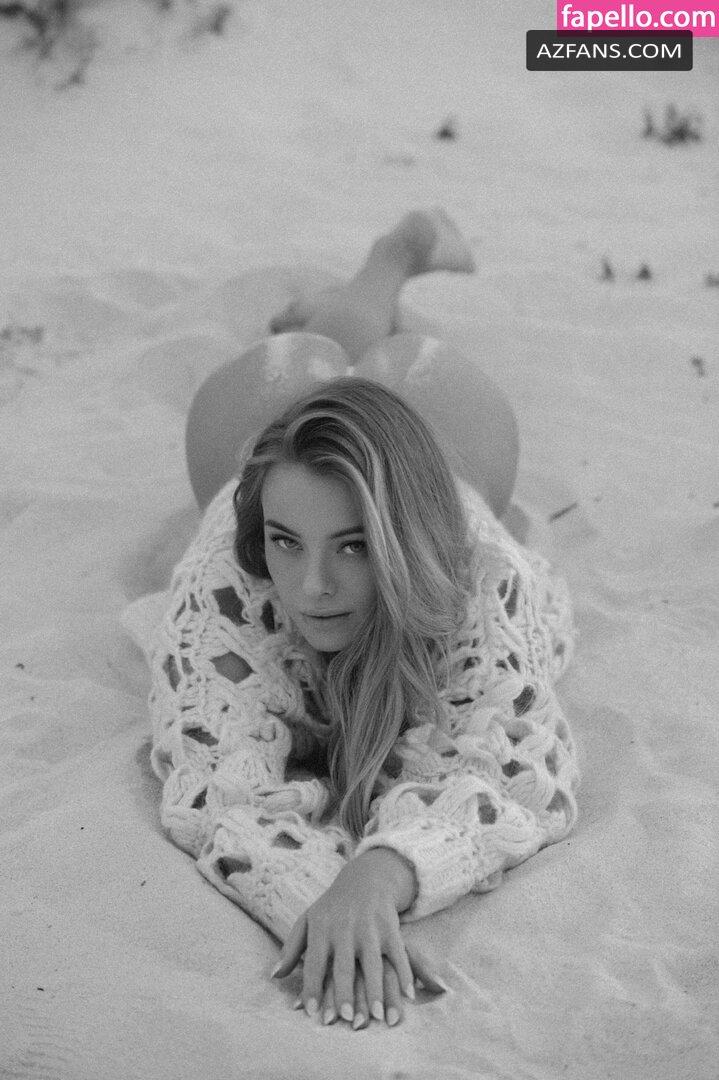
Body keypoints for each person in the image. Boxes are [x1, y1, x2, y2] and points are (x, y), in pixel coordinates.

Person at [146, 209, 579, 1032]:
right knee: (310, 357)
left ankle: (393, 263)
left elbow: (511, 766)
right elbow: (218, 781)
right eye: (286, 543)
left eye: (354, 546)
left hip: (442, 441)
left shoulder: (478, 575)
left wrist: (379, 875)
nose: (311, 588)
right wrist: (321, 903)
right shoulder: (230, 575)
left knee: (404, 364)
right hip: (255, 430)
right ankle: (385, 265)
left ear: (401, 541)